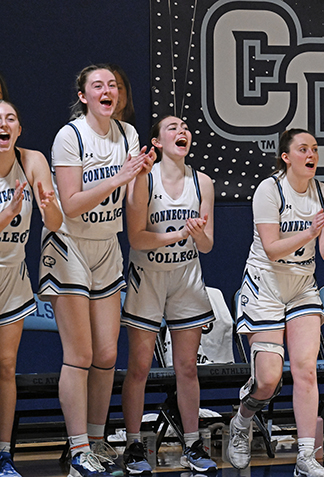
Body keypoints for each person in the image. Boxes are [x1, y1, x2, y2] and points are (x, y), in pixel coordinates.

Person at [38, 65, 152, 477]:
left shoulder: (128, 135)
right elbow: (70, 204)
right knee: (81, 354)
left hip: (107, 246)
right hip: (69, 246)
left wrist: (141, 176)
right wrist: (121, 175)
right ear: (84, 96)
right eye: (98, 86)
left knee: (107, 353)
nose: (108, 91)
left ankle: (98, 439)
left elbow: (132, 200)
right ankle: (78, 449)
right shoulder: (70, 136)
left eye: (114, 86)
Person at [229, 129, 324, 477]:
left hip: (302, 284)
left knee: (306, 368)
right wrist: (310, 232)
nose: (311, 154)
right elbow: (271, 248)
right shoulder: (269, 190)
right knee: (268, 380)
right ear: (286, 157)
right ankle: (242, 419)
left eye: (315, 149)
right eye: (303, 149)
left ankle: (306, 457)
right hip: (265, 285)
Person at [120, 115, 216, 474]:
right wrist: (177, 236)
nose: (183, 132)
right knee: (140, 365)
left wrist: (197, 232)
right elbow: (137, 238)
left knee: (187, 367)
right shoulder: (145, 180)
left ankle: (192, 444)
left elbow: (206, 245)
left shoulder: (202, 182)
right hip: (148, 275)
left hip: (186, 275)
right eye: (173, 128)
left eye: (186, 128)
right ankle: (132, 445)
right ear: (157, 142)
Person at [0, 100, 62, 477]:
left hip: (11, 277)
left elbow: (54, 221)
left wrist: (49, 205)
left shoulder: (32, 160)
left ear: (19, 130)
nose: (3, 125)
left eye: (10, 119)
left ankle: (4, 453)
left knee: (7, 365)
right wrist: (6, 215)